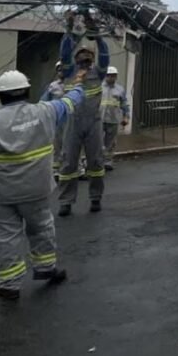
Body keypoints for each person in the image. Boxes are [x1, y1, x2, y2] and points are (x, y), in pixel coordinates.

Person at [0, 68, 85, 300]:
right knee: (41, 229)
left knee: (6, 238)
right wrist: (79, 82)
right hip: (36, 190)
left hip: (1, 195)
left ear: (0, 95)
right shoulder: (46, 112)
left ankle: (9, 285)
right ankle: (46, 269)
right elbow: (71, 101)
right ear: (27, 91)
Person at [57, 12, 109, 217]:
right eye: (82, 56)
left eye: (89, 57)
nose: (85, 59)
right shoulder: (70, 72)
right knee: (68, 162)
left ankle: (95, 198)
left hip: (94, 122)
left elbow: (104, 54)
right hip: (73, 122)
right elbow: (64, 52)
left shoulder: (99, 72)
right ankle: (66, 202)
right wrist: (69, 30)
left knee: (96, 162)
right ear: (76, 59)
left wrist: (96, 35)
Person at [100, 66, 129, 170]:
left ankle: (107, 161)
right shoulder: (99, 87)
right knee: (98, 141)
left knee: (110, 142)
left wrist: (126, 117)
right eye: (109, 75)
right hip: (100, 119)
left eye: (113, 76)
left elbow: (124, 104)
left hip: (113, 119)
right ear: (105, 76)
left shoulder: (120, 89)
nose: (111, 78)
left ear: (116, 77)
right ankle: (98, 161)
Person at [40, 61, 66, 176]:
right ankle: (56, 168)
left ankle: (75, 168)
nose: (61, 72)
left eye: (63, 69)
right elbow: (43, 102)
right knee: (57, 144)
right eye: (59, 69)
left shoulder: (75, 84)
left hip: (73, 120)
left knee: (73, 145)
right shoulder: (53, 86)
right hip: (57, 120)